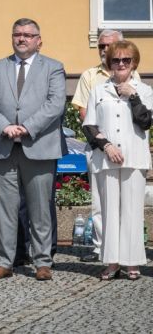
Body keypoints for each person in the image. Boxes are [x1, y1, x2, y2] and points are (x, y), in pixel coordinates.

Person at [0, 18, 66, 281]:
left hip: (38, 145)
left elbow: (56, 104)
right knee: (4, 208)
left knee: (40, 208)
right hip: (4, 145)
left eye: (28, 35)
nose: (22, 38)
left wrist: (27, 127)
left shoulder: (53, 67)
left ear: (39, 40)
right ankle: (4, 261)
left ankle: (42, 261)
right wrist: (5, 126)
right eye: (17, 34)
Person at [82, 40, 152, 281]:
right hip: (106, 159)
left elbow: (145, 122)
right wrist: (107, 145)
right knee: (109, 211)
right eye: (116, 60)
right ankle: (112, 262)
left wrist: (133, 97)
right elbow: (89, 125)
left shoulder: (144, 91)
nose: (121, 64)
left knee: (132, 211)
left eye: (126, 60)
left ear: (134, 63)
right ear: (109, 63)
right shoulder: (99, 90)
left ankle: (132, 262)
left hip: (134, 159)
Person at [72, 29, 140, 263]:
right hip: (98, 146)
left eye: (108, 45)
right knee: (100, 202)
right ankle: (102, 250)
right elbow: (83, 112)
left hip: (128, 150)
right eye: (101, 46)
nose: (104, 50)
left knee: (126, 203)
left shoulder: (134, 75)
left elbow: (140, 114)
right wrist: (105, 141)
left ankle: (124, 253)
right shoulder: (90, 76)